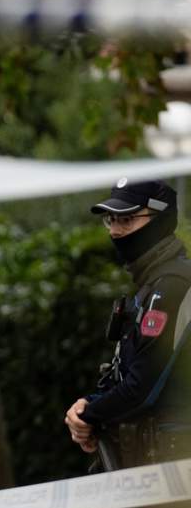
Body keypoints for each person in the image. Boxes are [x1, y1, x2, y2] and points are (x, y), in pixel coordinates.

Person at [64, 178, 190, 468]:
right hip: (153, 459)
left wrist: (89, 414)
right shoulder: (153, 284)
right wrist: (89, 402)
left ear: (161, 220)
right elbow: (129, 372)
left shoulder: (174, 285)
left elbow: (142, 388)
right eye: (111, 219)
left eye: (128, 219)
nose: (116, 231)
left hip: (176, 462)